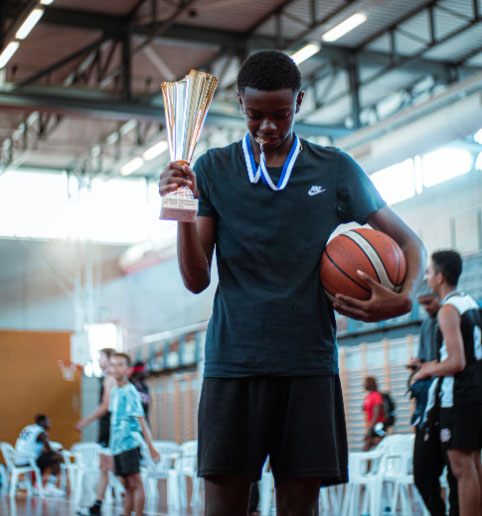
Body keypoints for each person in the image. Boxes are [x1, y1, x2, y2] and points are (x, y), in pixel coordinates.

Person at [158, 50, 425, 515]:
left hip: (308, 363)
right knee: (222, 507)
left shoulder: (334, 168)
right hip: (232, 363)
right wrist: (181, 210)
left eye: (280, 114)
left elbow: (409, 241)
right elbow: (196, 280)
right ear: (240, 102)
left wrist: (404, 299)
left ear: (299, 102)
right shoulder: (215, 169)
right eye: (255, 114)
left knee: (299, 507)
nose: (267, 126)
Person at [413, 250, 482, 516]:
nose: (428, 278)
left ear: (440, 277)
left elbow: (456, 362)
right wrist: (430, 365)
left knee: (462, 470)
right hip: (476, 391)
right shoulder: (471, 302)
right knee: (474, 465)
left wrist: (426, 372)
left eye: (429, 273)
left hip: (460, 395)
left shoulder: (448, 309)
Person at [407, 284, 459, 516]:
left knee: (457, 473)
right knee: (423, 474)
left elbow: (455, 361)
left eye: (429, 302)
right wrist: (420, 366)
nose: (425, 308)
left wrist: (427, 369)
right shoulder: (428, 323)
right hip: (428, 407)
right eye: (422, 304)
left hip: (452, 404)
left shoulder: (453, 315)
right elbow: (430, 362)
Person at [109, 352, 159, 516]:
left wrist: (151, 447)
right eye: (113, 364)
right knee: (126, 485)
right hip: (117, 446)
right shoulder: (115, 391)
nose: (116, 368)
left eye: (120, 364)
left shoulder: (131, 391)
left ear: (127, 369)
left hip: (130, 443)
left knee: (135, 482)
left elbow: (141, 420)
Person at [75, 347, 116, 515]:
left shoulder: (111, 379)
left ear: (108, 359)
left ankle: (134, 503)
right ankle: (96, 505)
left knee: (115, 469)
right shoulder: (107, 379)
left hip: (112, 431)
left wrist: (85, 421)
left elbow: (105, 406)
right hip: (107, 430)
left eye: (101, 358)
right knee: (105, 468)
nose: (99, 361)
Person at [15, 414, 64, 496]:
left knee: (45, 457)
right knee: (57, 457)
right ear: (43, 422)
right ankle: (50, 484)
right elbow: (49, 450)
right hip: (28, 460)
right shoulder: (41, 432)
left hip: (17, 459)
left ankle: (36, 483)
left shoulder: (28, 427)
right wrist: (60, 453)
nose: (49, 425)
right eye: (48, 422)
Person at [362, 376, 386, 451]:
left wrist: (369, 429)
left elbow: (376, 415)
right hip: (372, 426)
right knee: (367, 444)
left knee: (369, 444)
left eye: (365, 383)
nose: (363, 385)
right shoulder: (369, 396)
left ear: (370, 384)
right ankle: (367, 462)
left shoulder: (376, 395)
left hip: (378, 426)